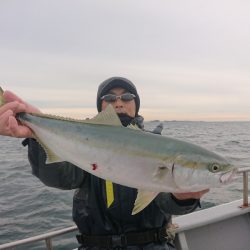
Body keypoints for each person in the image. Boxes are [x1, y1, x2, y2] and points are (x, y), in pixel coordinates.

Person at [0, 77, 208, 250]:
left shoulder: (160, 148)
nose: (118, 103)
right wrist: (36, 137)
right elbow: (59, 177)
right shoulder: (82, 143)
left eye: (127, 97)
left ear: (136, 104)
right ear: (101, 106)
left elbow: (165, 201)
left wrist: (182, 198)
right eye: (109, 98)